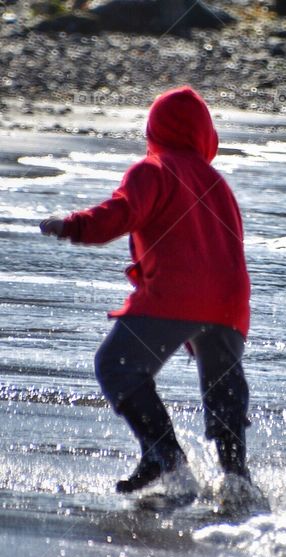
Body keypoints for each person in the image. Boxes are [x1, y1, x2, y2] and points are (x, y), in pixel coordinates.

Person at [40, 86, 257, 506]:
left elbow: (122, 213)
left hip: (177, 293)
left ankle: (167, 458)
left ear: (154, 130)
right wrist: (220, 323)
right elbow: (230, 249)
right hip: (230, 301)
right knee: (223, 392)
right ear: (205, 136)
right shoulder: (218, 183)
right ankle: (237, 478)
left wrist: (72, 225)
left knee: (116, 365)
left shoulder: (153, 170)